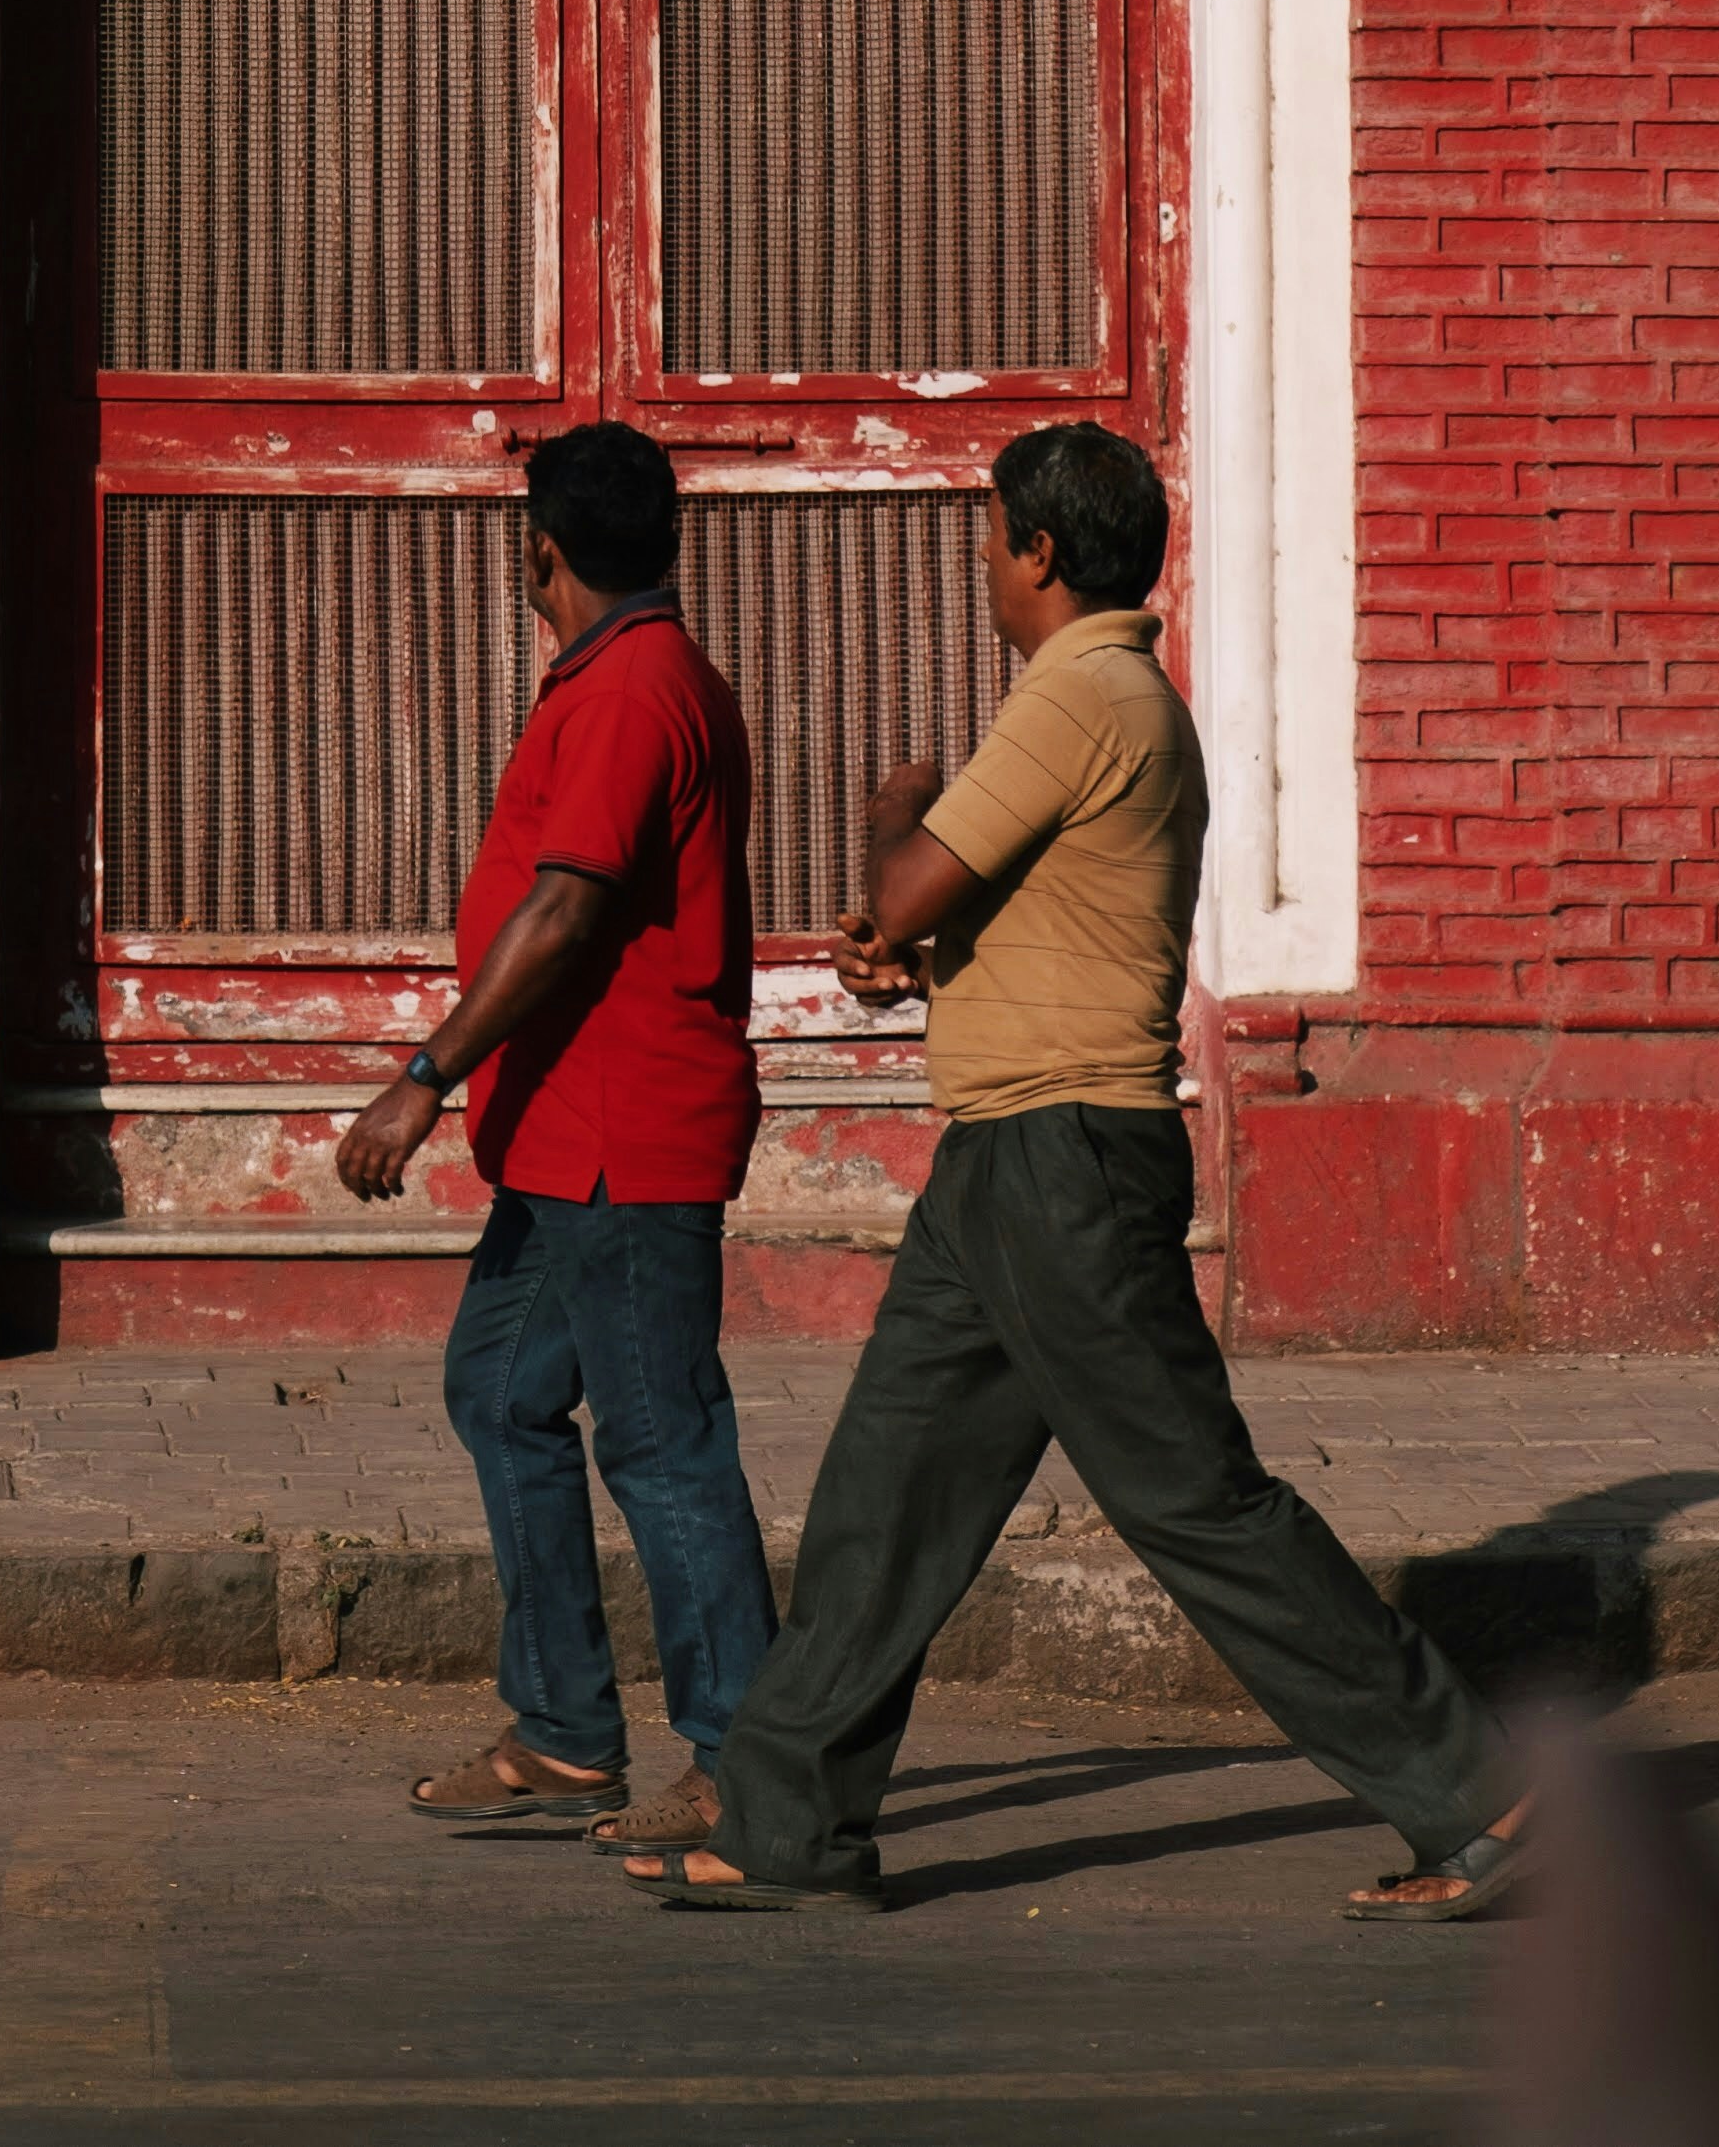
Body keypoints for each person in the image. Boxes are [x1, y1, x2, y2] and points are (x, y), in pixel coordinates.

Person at [614, 418, 1530, 1924]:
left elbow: (909, 878)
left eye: (990, 537)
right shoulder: (1115, 697)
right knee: (884, 1496)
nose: (983, 562)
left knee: (1193, 1501)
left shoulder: (1075, 693)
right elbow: (1003, 920)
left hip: (1062, 1162)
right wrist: (915, 947)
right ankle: (790, 1817)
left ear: (1039, 551)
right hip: (1009, 1157)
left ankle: (1462, 1775)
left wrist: (889, 818)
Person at [335, 419, 777, 1849]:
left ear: (540, 549)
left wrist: (424, 1073)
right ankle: (566, 1724)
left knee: (660, 1441)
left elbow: (567, 907)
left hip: (624, 1134)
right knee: (502, 1391)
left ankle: (742, 1757)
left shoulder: (635, 689)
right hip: (563, 1138)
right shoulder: (613, 676)